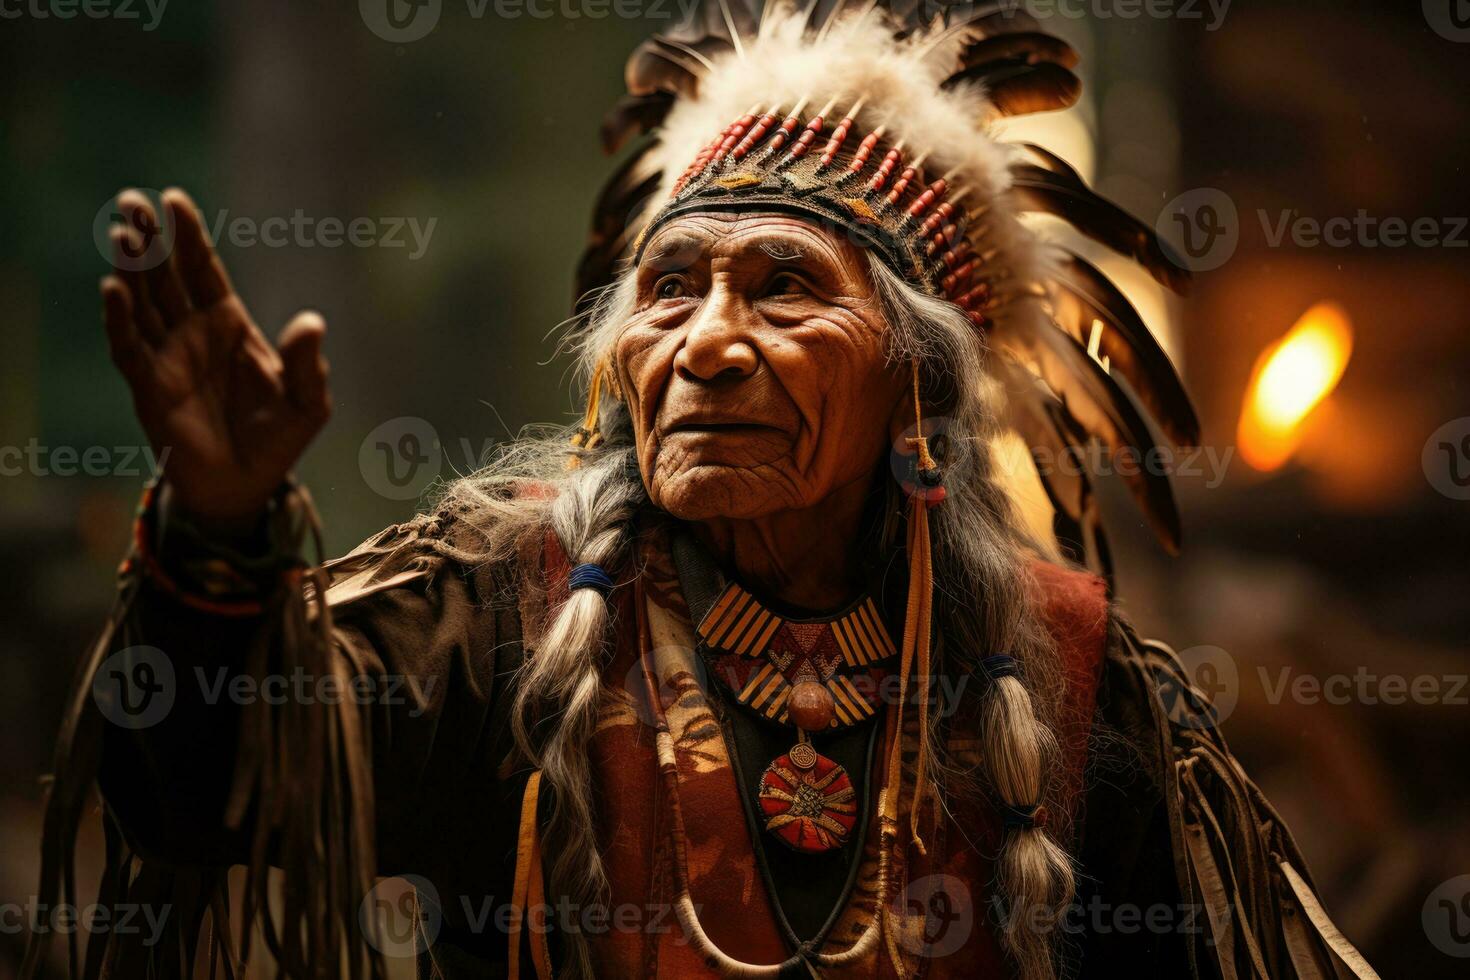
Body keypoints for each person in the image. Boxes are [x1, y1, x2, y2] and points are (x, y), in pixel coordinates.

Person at [30, 3, 1379, 978]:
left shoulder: (1070, 683)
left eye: (782, 286)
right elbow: (197, 793)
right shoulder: (489, 610)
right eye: (671, 287)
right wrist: (219, 528)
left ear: (917, 385)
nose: (705, 338)